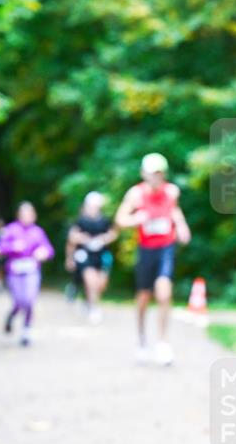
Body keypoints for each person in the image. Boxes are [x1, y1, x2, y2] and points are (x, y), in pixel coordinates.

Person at [115, 153, 191, 365]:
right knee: (143, 298)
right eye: (151, 173)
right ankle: (141, 340)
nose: (155, 178)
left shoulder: (171, 191)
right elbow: (120, 220)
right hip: (146, 250)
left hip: (165, 247)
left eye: (158, 173)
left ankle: (163, 343)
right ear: (143, 174)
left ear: (163, 174)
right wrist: (135, 219)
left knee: (164, 292)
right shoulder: (136, 194)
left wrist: (182, 226)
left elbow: (174, 211)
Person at [0, 202, 54, 346]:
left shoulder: (38, 232)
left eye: (29, 214)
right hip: (15, 271)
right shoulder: (11, 229)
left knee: (29, 300)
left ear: (34, 215)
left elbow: (49, 249)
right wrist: (12, 247)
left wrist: (43, 253)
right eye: (23, 214)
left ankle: (26, 330)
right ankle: (11, 316)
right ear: (19, 215)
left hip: (32, 270)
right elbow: (0, 247)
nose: (26, 217)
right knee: (18, 301)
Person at [67, 191, 117, 324]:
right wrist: (85, 241)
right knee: (91, 281)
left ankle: (89, 301)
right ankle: (93, 307)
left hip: (102, 255)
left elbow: (112, 234)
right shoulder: (81, 221)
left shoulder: (105, 220)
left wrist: (102, 240)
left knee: (100, 284)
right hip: (86, 255)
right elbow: (72, 238)